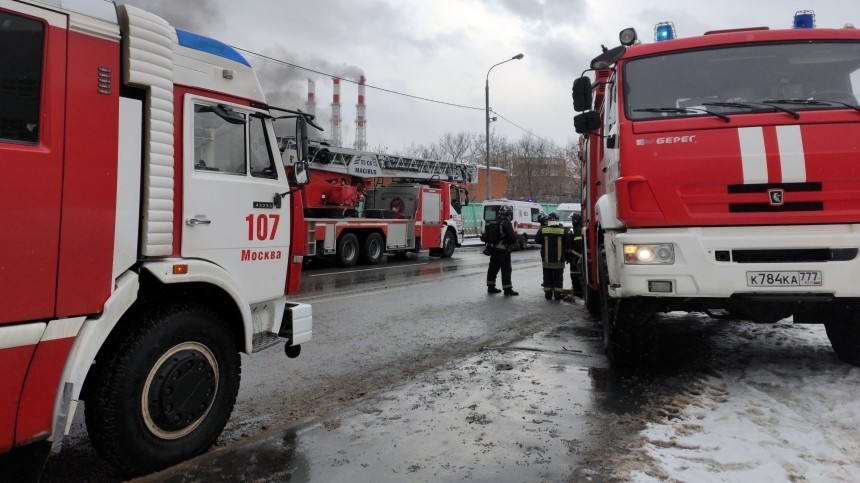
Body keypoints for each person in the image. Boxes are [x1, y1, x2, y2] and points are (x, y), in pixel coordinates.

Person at [482, 204, 519, 296]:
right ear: (508, 213)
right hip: (503, 250)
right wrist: (513, 242)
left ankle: (491, 287)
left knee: (493, 268)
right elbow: (512, 237)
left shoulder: (495, 220)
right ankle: (507, 289)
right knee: (506, 270)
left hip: (494, 249)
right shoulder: (506, 222)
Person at [534, 212, 570, 300]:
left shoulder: (543, 229)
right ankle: (557, 296)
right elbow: (568, 244)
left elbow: (537, 240)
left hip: (547, 261)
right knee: (558, 278)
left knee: (547, 277)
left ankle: (548, 295)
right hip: (559, 261)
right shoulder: (563, 230)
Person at [567, 211, 584, 299]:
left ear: (575, 221)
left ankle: (579, 293)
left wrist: (571, 253)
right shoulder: (577, 229)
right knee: (575, 276)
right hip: (576, 258)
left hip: (576, 258)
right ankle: (578, 292)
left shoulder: (577, 230)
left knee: (576, 276)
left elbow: (578, 246)